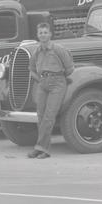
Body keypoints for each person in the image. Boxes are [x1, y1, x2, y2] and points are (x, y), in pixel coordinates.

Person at [27, 20, 74, 159]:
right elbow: (31, 69)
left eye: (45, 32)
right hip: (42, 83)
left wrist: (59, 79)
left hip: (57, 84)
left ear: (50, 34)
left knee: (49, 117)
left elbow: (70, 68)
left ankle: (42, 149)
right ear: (37, 35)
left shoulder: (58, 49)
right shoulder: (37, 51)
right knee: (40, 116)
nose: (43, 35)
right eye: (40, 33)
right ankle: (41, 148)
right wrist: (40, 79)